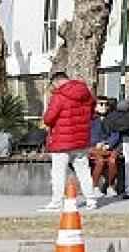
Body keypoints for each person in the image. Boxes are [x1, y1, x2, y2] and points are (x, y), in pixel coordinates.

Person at [41, 71, 99, 211]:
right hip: (81, 140)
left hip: (62, 141)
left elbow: (48, 119)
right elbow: (92, 114)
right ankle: (91, 199)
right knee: (84, 171)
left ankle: (57, 202)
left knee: (58, 173)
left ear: (57, 82)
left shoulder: (59, 96)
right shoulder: (86, 94)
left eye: (53, 85)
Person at [89, 97, 122, 196]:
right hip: (94, 147)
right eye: (101, 104)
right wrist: (96, 143)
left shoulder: (112, 118)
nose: (104, 107)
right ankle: (94, 187)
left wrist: (108, 144)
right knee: (100, 162)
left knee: (112, 161)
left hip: (108, 147)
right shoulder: (91, 119)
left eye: (106, 104)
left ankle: (110, 186)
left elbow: (115, 134)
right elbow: (88, 135)